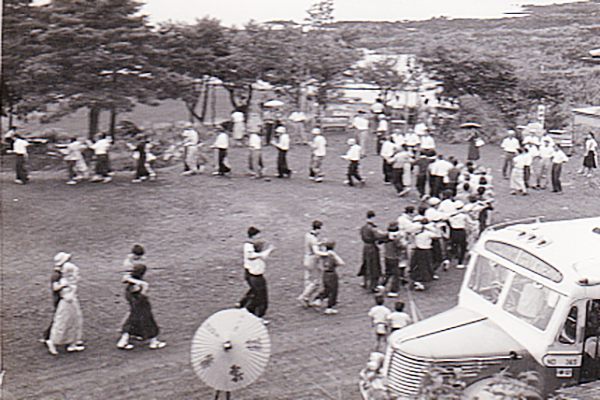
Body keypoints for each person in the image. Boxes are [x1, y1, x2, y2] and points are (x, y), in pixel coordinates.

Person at [117, 264, 167, 350]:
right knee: (148, 322)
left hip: (134, 306)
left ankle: (123, 341)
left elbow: (125, 279)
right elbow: (143, 290)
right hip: (142, 305)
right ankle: (153, 342)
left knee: (131, 322)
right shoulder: (139, 285)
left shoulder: (130, 283)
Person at [46, 253, 85, 355]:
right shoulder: (63, 280)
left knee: (75, 321)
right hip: (67, 303)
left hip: (71, 303)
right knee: (62, 322)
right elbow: (63, 293)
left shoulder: (68, 280)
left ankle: (72, 343)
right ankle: (52, 341)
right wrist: (68, 288)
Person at [239, 227, 275, 324]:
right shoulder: (255, 257)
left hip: (251, 275)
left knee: (254, 294)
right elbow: (260, 256)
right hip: (256, 277)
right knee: (261, 298)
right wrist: (269, 250)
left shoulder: (248, 248)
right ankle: (256, 316)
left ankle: (244, 306)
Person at [297, 221, 328, 307]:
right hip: (312, 260)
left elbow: (312, 245)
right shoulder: (314, 239)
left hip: (306, 258)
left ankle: (307, 298)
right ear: (318, 229)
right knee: (316, 281)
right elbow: (316, 251)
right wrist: (327, 254)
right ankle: (304, 296)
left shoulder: (308, 235)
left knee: (308, 279)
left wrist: (320, 243)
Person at [358, 211, 388, 293]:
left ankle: (365, 282)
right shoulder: (372, 228)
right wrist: (388, 233)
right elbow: (380, 236)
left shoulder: (363, 227)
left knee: (366, 264)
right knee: (373, 266)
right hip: (372, 248)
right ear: (373, 217)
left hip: (365, 247)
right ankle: (373, 286)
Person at [41, 252, 68, 343]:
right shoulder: (57, 275)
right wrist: (64, 284)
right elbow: (55, 287)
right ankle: (48, 336)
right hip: (59, 299)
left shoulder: (59, 273)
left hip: (60, 298)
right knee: (58, 318)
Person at [314, 241, 345, 315]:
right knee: (333, 291)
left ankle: (318, 299)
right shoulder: (332, 256)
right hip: (332, 274)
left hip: (325, 274)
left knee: (327, 288)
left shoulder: (323, 256)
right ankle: (329, 307)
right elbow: (341, 263)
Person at [410, 218, 440, 290]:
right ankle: (423, 278)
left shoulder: (415, 233)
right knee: (427, 264)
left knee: (420, 264)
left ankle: (421, 277)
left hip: (418, 250)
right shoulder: (428, 234)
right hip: (426, 250)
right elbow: (437, 235)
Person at [381, 222, 408, 298]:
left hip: (387, 256)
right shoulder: (396, 238)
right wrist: (405, 243)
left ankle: (381, 285)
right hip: (394, 258)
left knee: (388, 272)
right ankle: (393, 291)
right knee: (396, 275)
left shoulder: (386, 236)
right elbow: (400, 246)